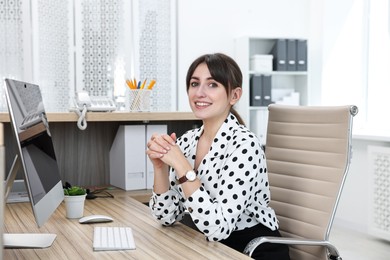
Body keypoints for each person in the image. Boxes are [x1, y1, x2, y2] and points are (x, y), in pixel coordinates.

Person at [146, 53, 290, 259]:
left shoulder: (244, 144)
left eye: (212, 85)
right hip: (211, 247)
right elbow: (166, 216)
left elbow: (218, 228)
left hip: (251, 249)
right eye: (194, 84)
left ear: (234, 95)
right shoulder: (187, 141)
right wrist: (160, 167)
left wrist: (181, 165)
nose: (200, 93)